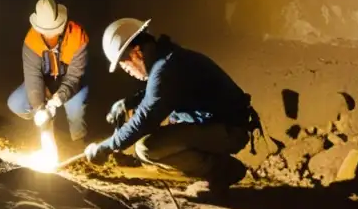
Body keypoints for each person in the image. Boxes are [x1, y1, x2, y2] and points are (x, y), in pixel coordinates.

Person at [83, 17, 259, 191]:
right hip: (221, 124)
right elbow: (160, 91)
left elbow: (145, 119)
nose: (127, 71)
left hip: (229, 130)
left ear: (137, 52)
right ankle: (221, 166)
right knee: (162, 136)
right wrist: (128, 103)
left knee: (147, 148)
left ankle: (223, 170)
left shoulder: (165, 68)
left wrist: (106, 147)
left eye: (125, 65)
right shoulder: (167, 59)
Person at [7, 0, 89, 143]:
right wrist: (39, 107)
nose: (50, 34)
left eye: (54, 29)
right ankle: (46, 125)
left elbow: (75, 76)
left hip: (72, 82)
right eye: (45, 30)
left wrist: (58, 98)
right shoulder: (31, 41)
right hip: (47, 82)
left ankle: (79, 143)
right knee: (17, 103)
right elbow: (33, 77)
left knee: (76, 111)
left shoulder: (77, 35)